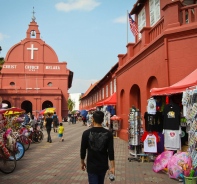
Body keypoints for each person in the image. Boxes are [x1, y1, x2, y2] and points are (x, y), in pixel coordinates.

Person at [80, 111, 115, 184]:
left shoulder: (86, 133)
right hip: (103, 165)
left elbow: (83, 150)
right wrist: (113, 167)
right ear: (102, 120)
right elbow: (111, 151)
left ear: (92, 119)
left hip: (91, 166)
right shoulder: (108, 134)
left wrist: (82, 162)